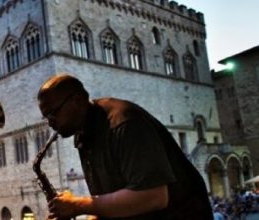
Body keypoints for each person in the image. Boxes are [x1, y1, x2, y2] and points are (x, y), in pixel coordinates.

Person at [37, 74, 213, 219]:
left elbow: (154, 196)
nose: (50, 123)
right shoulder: (84, 134)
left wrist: (78, 205)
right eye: (46, 117)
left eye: (53, 113)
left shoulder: (124, 123)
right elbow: (109, 200)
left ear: (77, 100)